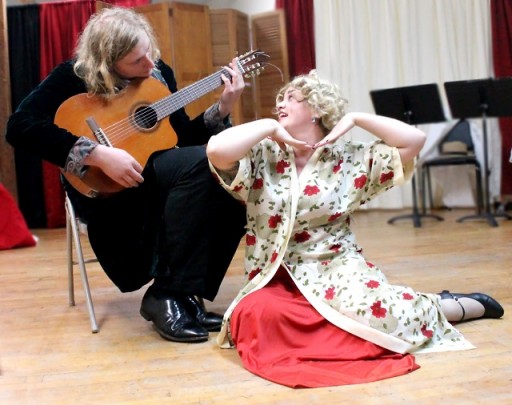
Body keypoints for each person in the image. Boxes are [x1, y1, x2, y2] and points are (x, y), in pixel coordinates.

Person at [206, 71, 505, 388]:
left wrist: (357, 118)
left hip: (335, 267)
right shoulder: (263, 152)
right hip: (277, 275)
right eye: (280, 98)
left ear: (317, 109)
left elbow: (414, 141)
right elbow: (215, 150)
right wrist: (268, 127)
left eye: (293, 98)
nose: (282, 103)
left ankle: (448, 306)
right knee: (253, 316)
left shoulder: (347, 159)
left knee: (380, 315)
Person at [6, 7, 246, 343]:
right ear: (107, 61)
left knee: (231, 179)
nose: (149, 64)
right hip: (108, 191)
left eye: (149, 51)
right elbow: (19, 127)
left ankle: (181, 293)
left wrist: (223, 106)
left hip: (157, 174)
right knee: (201, 165)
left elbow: (183, 139)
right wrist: (97, 154)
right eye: (137, 60)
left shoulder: (159, 74)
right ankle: (167, 295)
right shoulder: (72, 78)